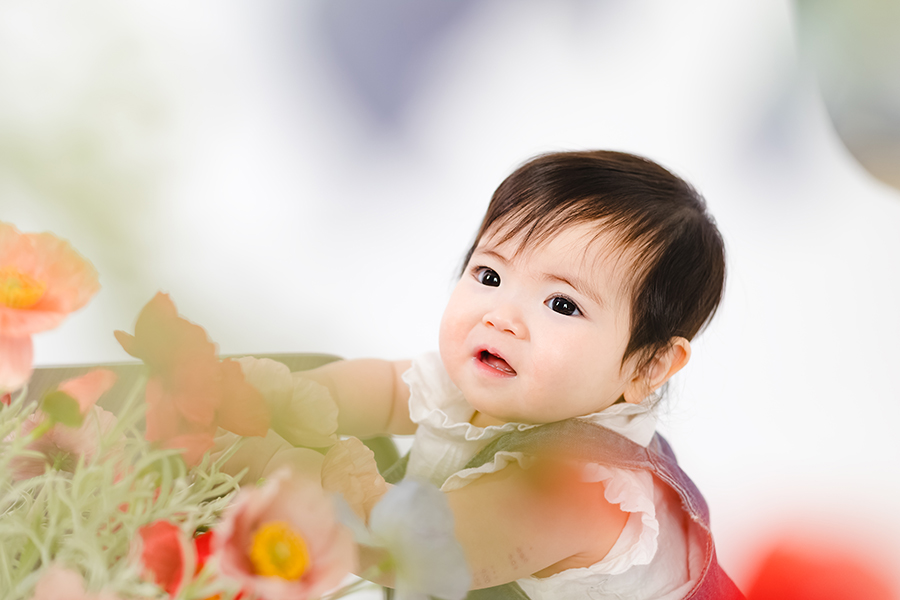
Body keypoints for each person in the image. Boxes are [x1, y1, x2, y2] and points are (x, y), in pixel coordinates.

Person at [290, 150, 743, 599]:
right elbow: (387, 391)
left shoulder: (580, 491)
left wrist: (322, 478)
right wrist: (282, 397)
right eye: (489, 275)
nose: (502, 317)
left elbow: (413, 551)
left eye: (561, 304)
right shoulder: (498, 382)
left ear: (647, 366)